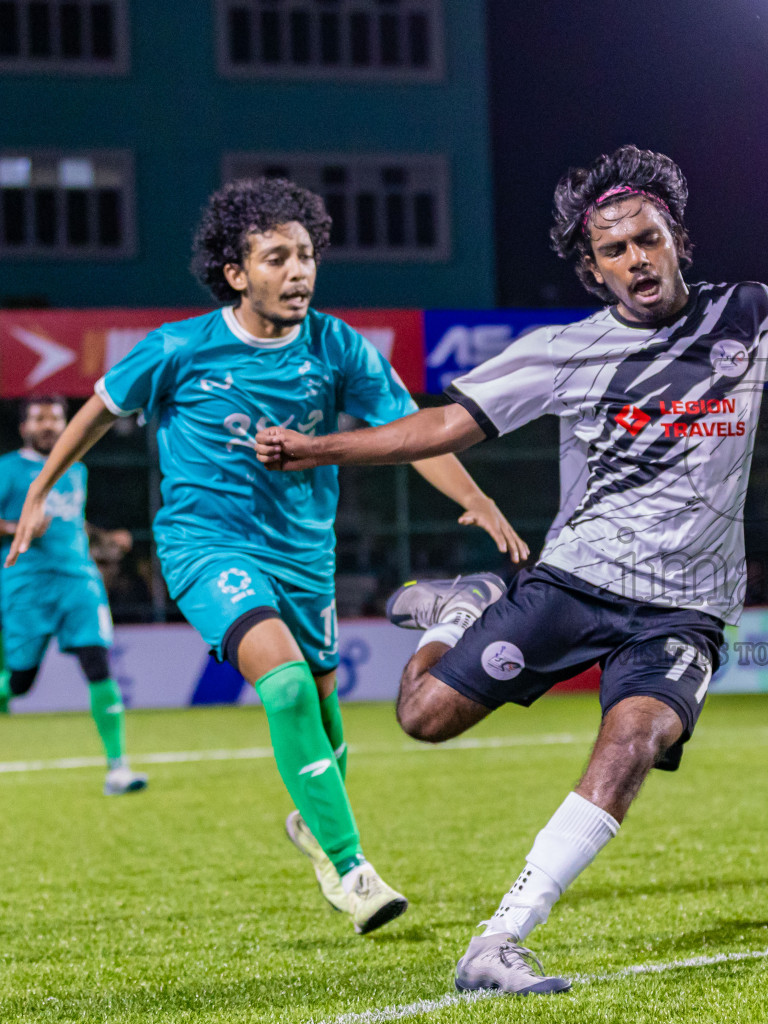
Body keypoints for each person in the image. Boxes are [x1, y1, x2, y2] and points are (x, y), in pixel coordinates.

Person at [254, 144, 768, 994]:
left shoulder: (750, 313)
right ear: (594, 270)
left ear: (676, 240)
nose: (637, 259)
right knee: (423, 718)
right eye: (615, 250)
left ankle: (500, 938)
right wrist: (317, 449)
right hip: (576, 582)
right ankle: (463, 609)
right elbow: (440, 427)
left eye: (648, 239)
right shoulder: (566, 351)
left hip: (687, 611)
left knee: (634, 739)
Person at [5, 178, 523, 936]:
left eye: (306, 254)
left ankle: (314, 824)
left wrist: (474, 496)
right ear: (236, 273)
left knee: (325, 718)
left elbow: (409, 429)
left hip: (304, 555)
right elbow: (98, 412)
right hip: (204, 545)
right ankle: (353, 871)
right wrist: (41, 488)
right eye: (276, 257)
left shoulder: (337, 346)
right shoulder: (179, 347)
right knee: (283, 687)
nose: (298, 270)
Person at [0, 397, 145, 794]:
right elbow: (25, 521)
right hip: (26, 585)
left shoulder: (76, 470)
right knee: (21, 681)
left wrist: (103, 538)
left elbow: (70, 520)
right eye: (39, 419)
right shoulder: (7, 469)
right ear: (23, 427)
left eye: (55, 418)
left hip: (79, 581)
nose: (48, 425)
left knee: (97, 662)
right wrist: (16, 527)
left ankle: (118, 768)